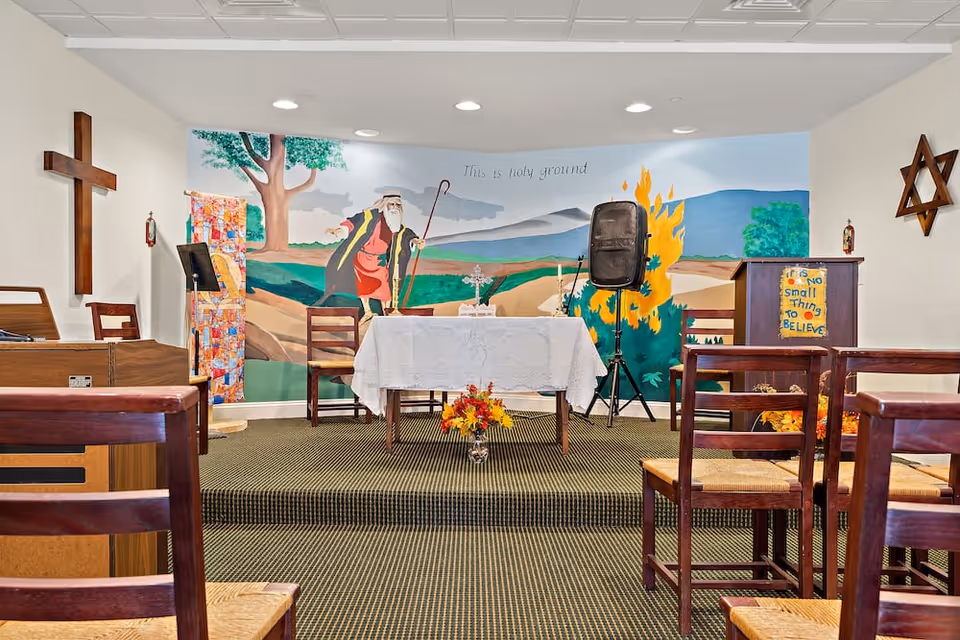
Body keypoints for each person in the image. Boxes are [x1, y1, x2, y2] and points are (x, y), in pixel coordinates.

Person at [323, 192, 425, 321]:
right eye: (391, 204)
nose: (394, 208)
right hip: (362, 258)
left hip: (380, 261)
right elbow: (352, 224)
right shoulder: (369, 217)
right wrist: (338, 230)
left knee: (385, 290)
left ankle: (386, 314)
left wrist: (416, 241)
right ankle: (368, 312)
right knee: (363, 287)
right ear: (384, 204)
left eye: (397, 205)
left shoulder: (397, 226)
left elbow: (407, 235)